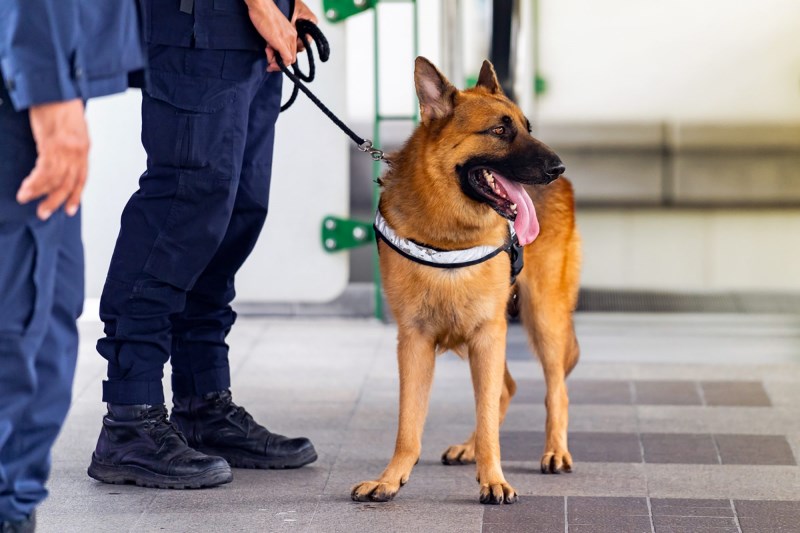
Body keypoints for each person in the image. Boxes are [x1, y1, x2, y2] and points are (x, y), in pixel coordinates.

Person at [87, 0, 319, 490]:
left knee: (234, 212)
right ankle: (131, 416)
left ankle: (204, 405)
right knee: (181, 207)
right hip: (199, 23)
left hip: (249, 36)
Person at [0, 1, 146, 530]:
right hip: (25, 78)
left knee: (47, 324)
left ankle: (13, 507)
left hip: (41, 70)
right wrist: (47, 85)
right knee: (18, 332)